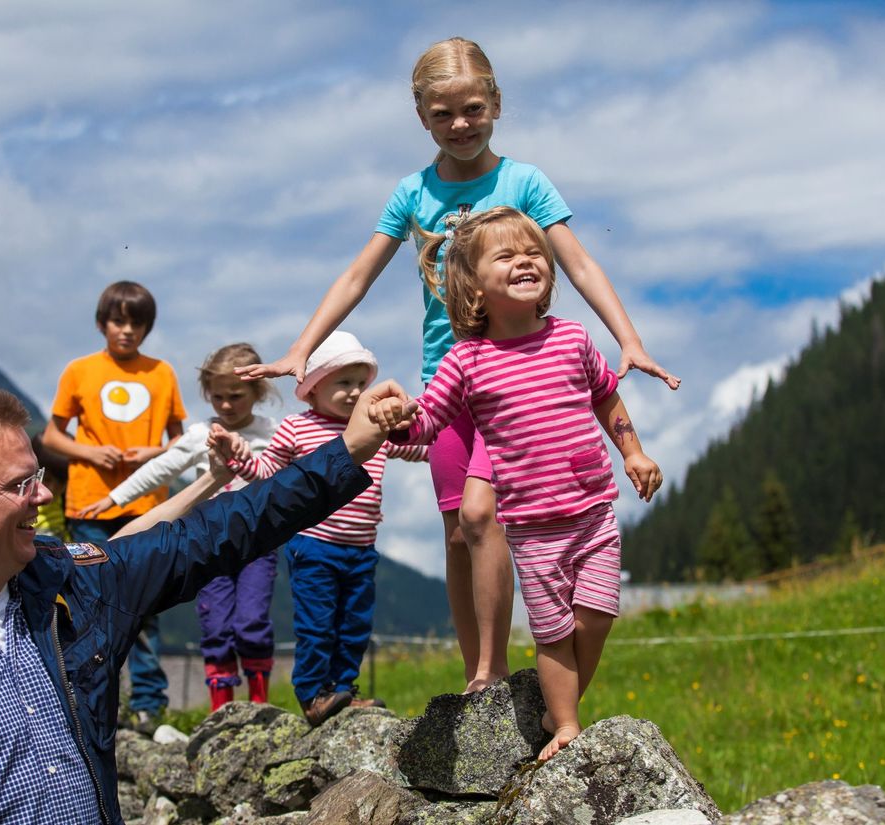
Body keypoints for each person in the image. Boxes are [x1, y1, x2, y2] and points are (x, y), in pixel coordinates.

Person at [238, 36, 679, 695]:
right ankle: (485, 672)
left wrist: (629, 338)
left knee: (485, 516)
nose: (461, 124)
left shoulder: (524, 182)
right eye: (444, 115)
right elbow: (359, 273)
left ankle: (511, 672)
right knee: (457, 530)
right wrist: (305, 346)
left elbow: (579, 263)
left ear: (497, 103)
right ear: (422, 119)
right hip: (452, 379)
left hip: (516, 383)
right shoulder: (413, 193)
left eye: (473, 108)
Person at [0, 381, 401, 823]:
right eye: (20, 483)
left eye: (40, 476)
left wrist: (347, 450)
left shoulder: (76, 584)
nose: (42, 495)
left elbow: (223, 529)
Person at [370, 206, 663, 761]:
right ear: (474, 287)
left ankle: (560, 703)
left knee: (596, 616)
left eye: (534, 252)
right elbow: (430, 420)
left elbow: (606, 396)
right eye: (505, 255)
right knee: (553, 632)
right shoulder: (468, 359)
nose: (526, 260)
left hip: (593, 507)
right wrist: (398, 418)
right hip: (530, 526)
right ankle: (567, 721)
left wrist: (634, 451)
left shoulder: (573, 339)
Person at [217, 332, 427, 727]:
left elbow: (421, 447)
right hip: (313, 544)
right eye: (342, 383)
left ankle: (343, 689)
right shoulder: (296, 429)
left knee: (354, 624)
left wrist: (439, 431)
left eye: (360, 384)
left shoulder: (375, 428)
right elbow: (265, 473)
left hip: (362, 547)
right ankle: (314, 693)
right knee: (317, 624)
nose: (354, 393)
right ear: (313, 390)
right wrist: (238, 459)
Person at [78, 343, 283, 711]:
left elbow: (298, 477)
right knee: (216, 626)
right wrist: (114, 499)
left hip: (258, 545)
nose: (225, 405)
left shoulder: (275, 433)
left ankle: (259, 706)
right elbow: (161, 467)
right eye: (217, 397)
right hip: (209, 544)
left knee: (252, 621)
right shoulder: (200, 433)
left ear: (258, 391)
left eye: (235, 396)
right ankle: (223, 711)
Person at [42, 279, 186, 730]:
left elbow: (181, 439)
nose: (127, 331)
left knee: (144, 604)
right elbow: (50, 436)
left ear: (147, 328)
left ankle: (148, 702)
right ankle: (90, 697)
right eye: (118, 321)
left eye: (136, 323)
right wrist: (88, 453)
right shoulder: (79, 371)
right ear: (103, 323)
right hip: (88, 504)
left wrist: (152, 454)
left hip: (147, 503)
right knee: (88, 601)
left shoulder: (162, 373)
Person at [31, 432, 71, 542]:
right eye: (47, 479)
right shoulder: (23, 503)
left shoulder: (67, 502)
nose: (52, 489)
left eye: (61, 482)